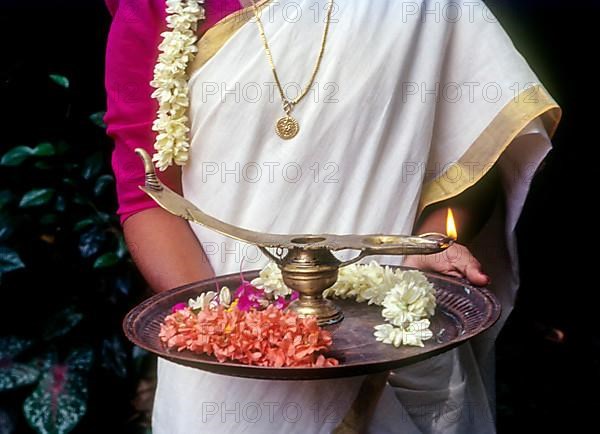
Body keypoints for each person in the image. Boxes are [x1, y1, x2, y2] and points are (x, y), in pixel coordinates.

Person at [104, 0, 561, 432]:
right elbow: (147, 196)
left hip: (392, 338)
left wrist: (424, 248)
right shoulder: (155, 8)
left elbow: (472, 146)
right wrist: (237, 328)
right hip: (223, 362)